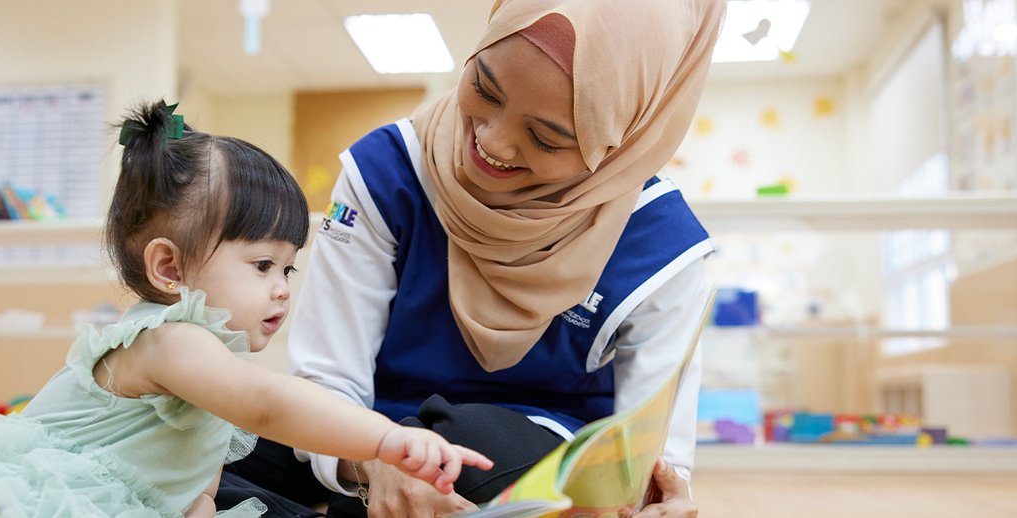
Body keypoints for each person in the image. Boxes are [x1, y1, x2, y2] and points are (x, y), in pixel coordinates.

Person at [0, 101, 492, 518]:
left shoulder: (204, 355)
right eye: (261, 266)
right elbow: (267, 405)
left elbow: (193, 481)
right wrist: (384, 440)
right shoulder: (171, 341)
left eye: (288, 267)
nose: (283, 287)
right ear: (169, 268)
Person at [222, 1, 725, 517]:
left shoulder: (660, 244)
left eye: (546, 137)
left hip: (528, 451)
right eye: (484, 89)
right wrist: (375, 460)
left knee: (464, 448)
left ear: (621, 143)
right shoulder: (387, 172)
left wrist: (661, 495)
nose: (492, 142)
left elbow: (649, 454)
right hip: (370, 432)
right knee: (206, 430)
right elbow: (328, 380)